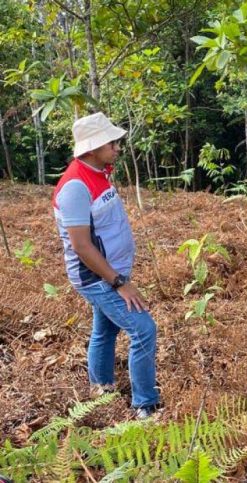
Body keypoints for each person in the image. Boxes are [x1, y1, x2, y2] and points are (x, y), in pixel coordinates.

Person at [52, 112, 160, 419]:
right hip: (97, 277)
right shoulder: (75, 186)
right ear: (91, 147)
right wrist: (118, 282)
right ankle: (145, 405)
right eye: (110, 143)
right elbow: (81, 245)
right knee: (143, 329)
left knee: (105, 330)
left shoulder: (98, 172)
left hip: (111, 272)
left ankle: (101, 390)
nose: (117, 147)